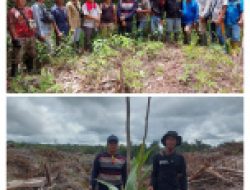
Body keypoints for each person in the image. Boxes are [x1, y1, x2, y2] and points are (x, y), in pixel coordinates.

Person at [8, 0, 37, 77]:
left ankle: (30, 72)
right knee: (17, 57)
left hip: (30, 36)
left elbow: (32, 21)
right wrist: (14, 38)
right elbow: (11, 25)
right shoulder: (12, 11)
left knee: (31, 54)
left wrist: (34, 31)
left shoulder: (29, 9)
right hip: (20, 37)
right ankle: (14, 76)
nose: (23, 1)